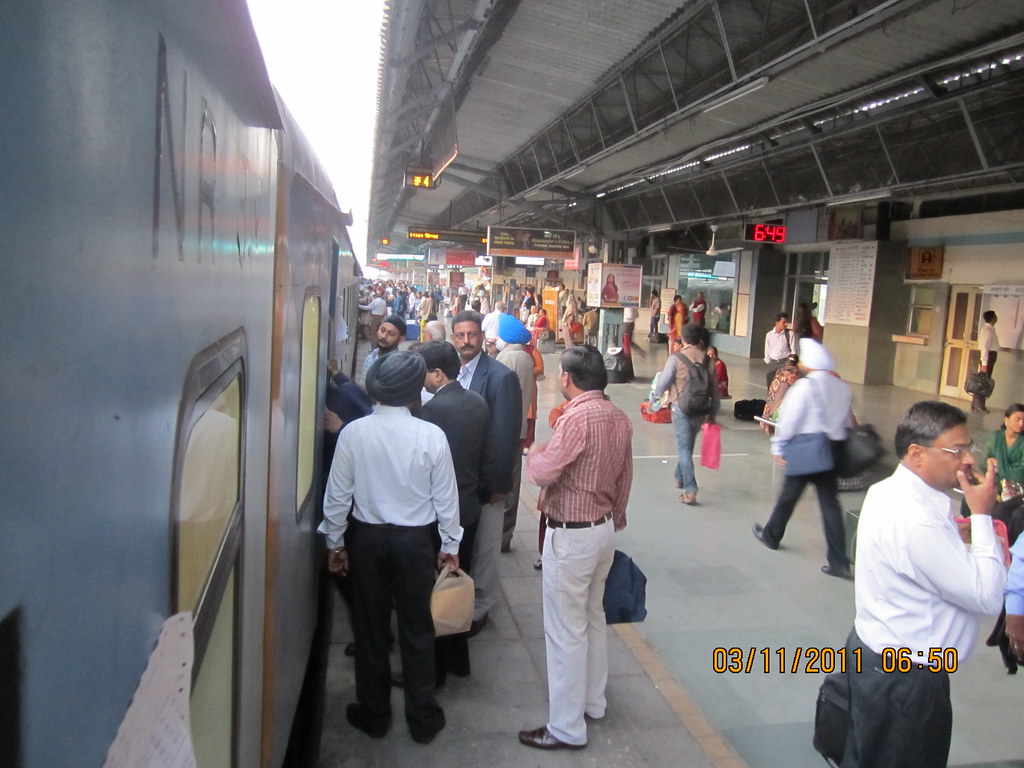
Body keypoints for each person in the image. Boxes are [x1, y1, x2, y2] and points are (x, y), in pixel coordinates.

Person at [841, 401, 1006, 768]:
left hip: (875, 654)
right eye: (956, 450)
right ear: (916, 453)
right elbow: (988, 596)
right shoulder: (917, 519)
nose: (967, 459)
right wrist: (981, 517)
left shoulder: (887, 491)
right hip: (908, 678)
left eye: (969, 447)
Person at [319, 351, 461, 745]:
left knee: (370, 630)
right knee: (418, 630)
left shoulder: (354, 433)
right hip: (416, 544)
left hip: (367, 541)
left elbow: (337, 497)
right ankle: (423, 718)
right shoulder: (431, 436)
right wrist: (449, 545)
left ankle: (374, 714)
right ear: (415, 394)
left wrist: (335, 542)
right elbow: (446, 499)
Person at [518, 346, 633, 751]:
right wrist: (614, 520)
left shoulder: (577, 417)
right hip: (602, 532)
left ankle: (566, 727)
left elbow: (545, 472)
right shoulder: (619, 417)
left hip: (571, 537)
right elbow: (625, 478)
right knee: (592, 617)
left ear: (567, 378)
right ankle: (593, 702)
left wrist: (534, 455)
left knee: (565, 630)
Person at [415, 341, 494, 685]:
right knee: (460, 582)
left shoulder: (429, 414)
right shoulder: (477, 403)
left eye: (423, 373)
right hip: (470, 507)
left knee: (435, 589)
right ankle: (459, 658)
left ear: (437, 374)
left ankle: (435, 670)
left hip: (440, 512)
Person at [752, 339, 853, 578]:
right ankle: (839, 561)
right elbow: (846, 421)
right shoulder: (842, 387)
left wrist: (778, 445)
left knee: (789, 496)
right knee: (830, 505)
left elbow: (789, 420)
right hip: (832, 449)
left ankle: (771, 535)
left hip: (807, 448)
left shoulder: (805, 388)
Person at [451, 310, 523, 634]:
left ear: (482, 336)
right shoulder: (450, 373)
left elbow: (506, 435)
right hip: (458, 482)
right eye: (460, 335)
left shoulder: (500, 377)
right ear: (453, 338)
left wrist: (499, 484)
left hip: (487, 482)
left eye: (472, 335)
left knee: (486, 548)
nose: (467, 341)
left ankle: (480, 609)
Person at [651, 323, 719, 505]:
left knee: (684, 449)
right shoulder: (708, 360)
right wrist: (712, 412)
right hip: (701, 409)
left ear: (684, 339)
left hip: (681, 408)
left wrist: (654, 399)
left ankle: (691, 489)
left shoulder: (676, 358)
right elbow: (714, 388)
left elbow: (663, 382)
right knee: (687, 446)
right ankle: (679, 476)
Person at [494, 314, 536, 552]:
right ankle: (506, 535)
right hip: (518, 427)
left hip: (505, 429)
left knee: (504, 484)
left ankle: (499, 535)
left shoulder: (507, 358)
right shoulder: (525, 357)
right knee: (513, 483)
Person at [360, 314, 406, 385]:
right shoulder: (371, 357)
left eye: (391, 334)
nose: (384, 336)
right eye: (382, 330)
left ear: (400, 339)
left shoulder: (398, 366)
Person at [973, 310, 999, 413]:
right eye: (995, 316)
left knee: (983, 382)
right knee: (983, 383)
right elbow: (984, 348)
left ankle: (976, 405)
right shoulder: (987, 331)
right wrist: (984, 364)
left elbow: (992, 345)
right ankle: (979, 406)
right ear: (992, 318)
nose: (997, 317)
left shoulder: (990, 329)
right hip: (987, 358)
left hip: (989, 357)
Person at [763, 312, 794, 388]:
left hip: (784, 363)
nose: (786, 324)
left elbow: (794, 350)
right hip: (772, 363)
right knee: (770, 387)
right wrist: (768, 362)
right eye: (783, 322)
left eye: (786, 322)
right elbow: (767, 349)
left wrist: (790, 364)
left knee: (782, 387)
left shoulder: (790, 334)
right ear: (777, 323)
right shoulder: (769, 335)